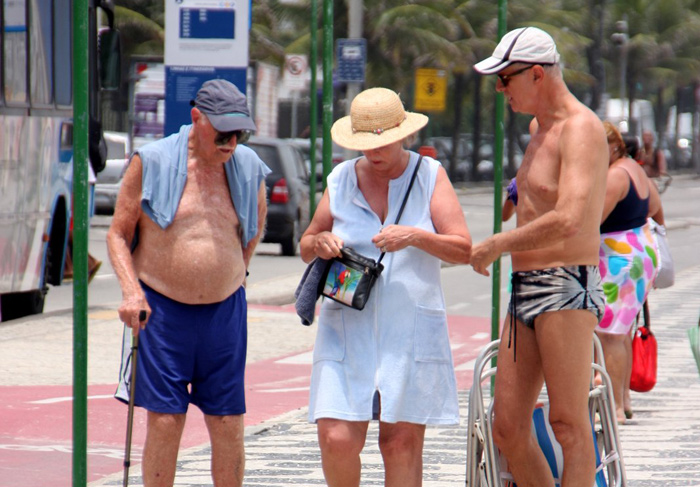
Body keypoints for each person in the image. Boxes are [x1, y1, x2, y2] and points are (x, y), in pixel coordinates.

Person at [300, 87, 471, 487]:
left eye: (383, 143)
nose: (373, 153)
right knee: (335, 437)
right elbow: (308, 242)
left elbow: (463, 248)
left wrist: (414, 236)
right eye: (364, 146)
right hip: (346, 325)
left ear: (403, 133)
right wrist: (320, 243)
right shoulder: (341, 178)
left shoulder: (430, 175)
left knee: (400, 444)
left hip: (408, 329)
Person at [107, 79, 269, 487]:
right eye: (223, 133)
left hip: (224, 312)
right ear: (197, 118)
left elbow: (253, 230)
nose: (232, 143)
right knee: (164, 421)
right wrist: (131, 291)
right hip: (162, 313)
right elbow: (117, 234)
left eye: (240, 133)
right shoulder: (152, 161)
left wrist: (234, 275)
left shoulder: (249, 168)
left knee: (229, 420)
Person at [471, 27, 609, 487]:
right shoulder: (538, 128)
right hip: (525, 287)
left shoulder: (583, 128)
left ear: (535, 74)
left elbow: (570, 217)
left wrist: (498, 242)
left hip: (567, 283)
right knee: (507, 428)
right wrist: (514, 192)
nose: (499, 90)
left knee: (568, 425)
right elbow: (537, 189)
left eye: (504, 79)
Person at [596, 121, 662, 423]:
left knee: (609, 334)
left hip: (619, 259)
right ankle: (623, 399)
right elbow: (656, 207)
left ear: (612, 145)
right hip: (640, 252)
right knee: (620, 332)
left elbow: (594, 220)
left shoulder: (614, 176)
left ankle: (615, 409)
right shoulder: (635, 169)